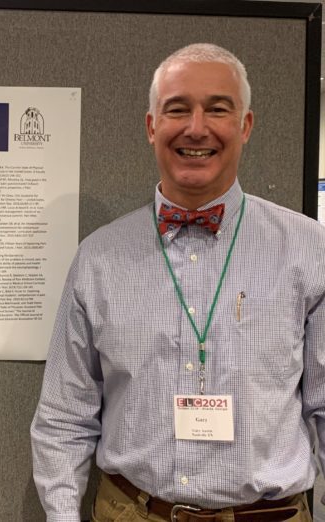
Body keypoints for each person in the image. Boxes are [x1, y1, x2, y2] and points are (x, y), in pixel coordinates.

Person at [30, 43, 325, 522]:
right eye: (177, 109)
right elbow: (64, 417)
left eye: (218, 109)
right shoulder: (98, 258)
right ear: (152, 127)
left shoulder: (311, 249)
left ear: (245, 126)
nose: (196, 127)